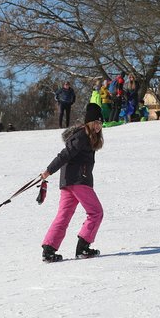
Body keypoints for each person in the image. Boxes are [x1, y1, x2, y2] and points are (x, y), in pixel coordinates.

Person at [38, 102, 105, 262]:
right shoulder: (82, 136)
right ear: (89, 122)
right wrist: (48, 171)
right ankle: (83, 247)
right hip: (78, 180)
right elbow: (65, 154)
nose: (98, 126)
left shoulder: (88, 137)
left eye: (101, 123)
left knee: (64, 214)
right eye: (96, 122)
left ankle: (49, 250)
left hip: (70, 181)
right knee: (96, 212)